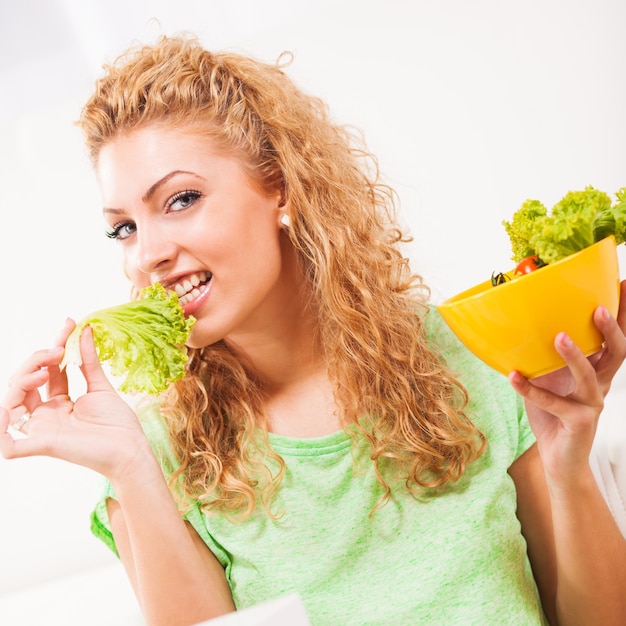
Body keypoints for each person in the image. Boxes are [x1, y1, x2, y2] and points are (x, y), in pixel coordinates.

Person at [1, 34, 625, 626]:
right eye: (124, 228)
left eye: (181, 199)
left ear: (280, 189)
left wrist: (569, 466)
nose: (147, 254)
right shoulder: (153, 452)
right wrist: (133, 470)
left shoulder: (468, 352)